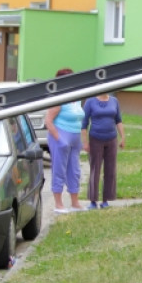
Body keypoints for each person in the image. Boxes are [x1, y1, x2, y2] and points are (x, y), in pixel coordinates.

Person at [45, 68, 85, 213]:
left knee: (74, 171)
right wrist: (59, 139)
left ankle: (75, 202)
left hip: (75, 138)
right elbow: (48, 121)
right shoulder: (59, 99)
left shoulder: (76, 98)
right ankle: (58, 203)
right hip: (61, 137)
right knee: (59, 170)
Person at [81, 93, 126, 209]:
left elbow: (118, 120)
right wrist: (85, 142)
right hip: (96, 138)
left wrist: (123, 137)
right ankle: (93, 201)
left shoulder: (114, 101)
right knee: (95, 169)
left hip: (111, 139)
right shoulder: (90, 101)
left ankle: (106, 200)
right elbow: (84, 123)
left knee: (110, 170)